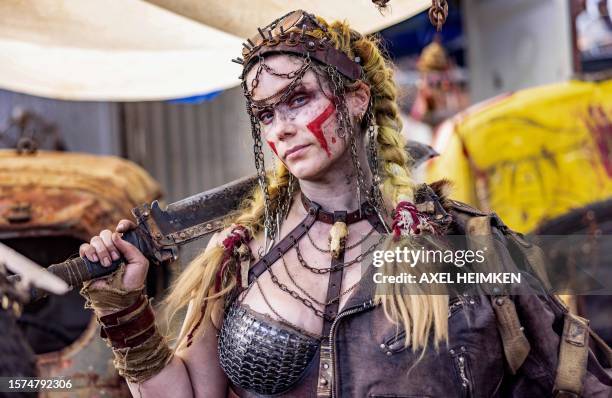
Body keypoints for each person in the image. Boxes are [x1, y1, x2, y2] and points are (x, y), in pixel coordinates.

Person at [77, 10, 611, 398]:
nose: (281, 127)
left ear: (355, 100)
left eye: (297, 99)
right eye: (265, 114)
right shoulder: (238, 254)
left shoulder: (461, 245)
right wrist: (123, 311)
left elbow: (572, 375)